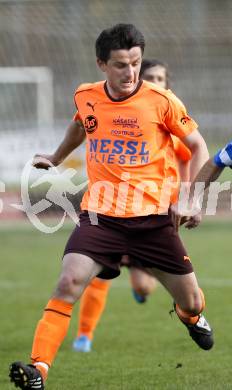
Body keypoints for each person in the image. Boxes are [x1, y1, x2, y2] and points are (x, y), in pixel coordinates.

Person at [9, 24, 213, 390]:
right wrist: (56, 157)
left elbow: (198, 146)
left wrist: (190, 196)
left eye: (135, 62)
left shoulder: (162, 101)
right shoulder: (86, 96)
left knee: (194, 300)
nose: (131, 72)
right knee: (68, 281)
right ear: (102, 64)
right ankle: (38, 370)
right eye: (121, 64)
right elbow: (80, 126)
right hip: (100, 217)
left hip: (152, 221)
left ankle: (190, 316)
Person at [72, 58, 193, 353]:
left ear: (167, 86)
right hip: (111, 212)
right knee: (97, 273)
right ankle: (84, 335)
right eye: (149, 77)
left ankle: (154, 288)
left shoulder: (167, 123)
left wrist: (184, 198)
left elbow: (189, 155)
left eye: (160, 79)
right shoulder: (116, 115)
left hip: (150, 217)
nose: (154, 83)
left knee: (143, 286)